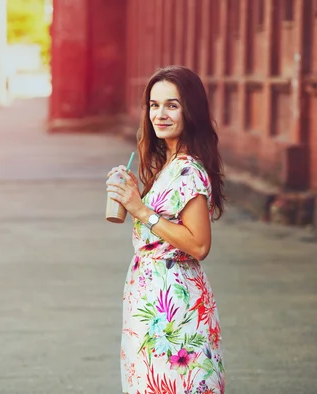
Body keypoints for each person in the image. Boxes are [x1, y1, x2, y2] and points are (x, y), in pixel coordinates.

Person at [106, 65, 226, 394]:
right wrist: (133, 194)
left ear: (191, 110)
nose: (160, 114)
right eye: (154, 105)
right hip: (152, 300)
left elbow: (199, 245)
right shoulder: (169, 166)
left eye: (172, 105)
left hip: (174, 306)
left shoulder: (188, 169)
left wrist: (141, 209)